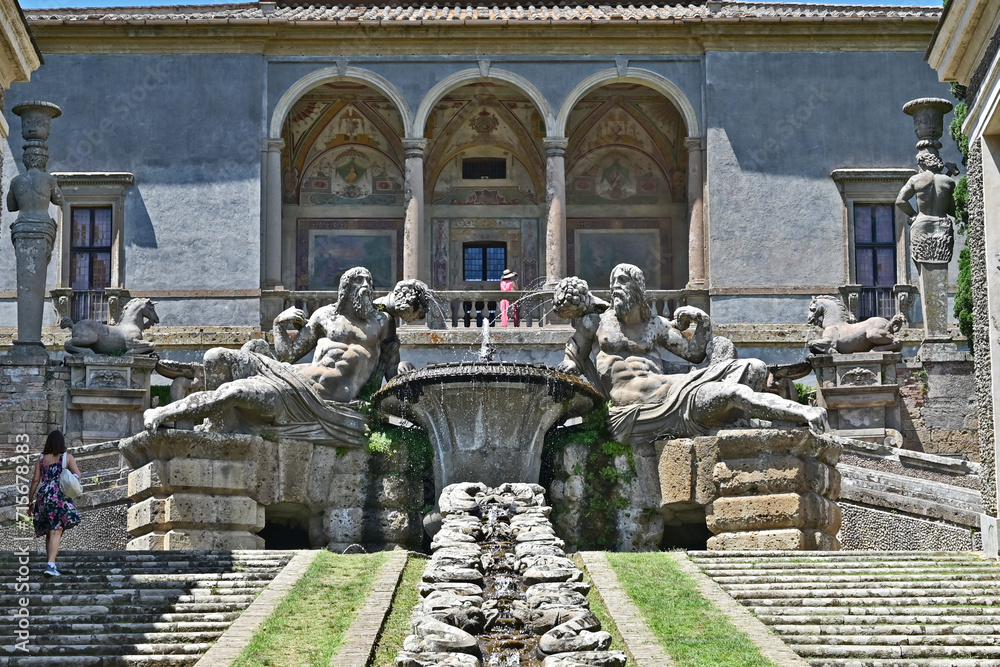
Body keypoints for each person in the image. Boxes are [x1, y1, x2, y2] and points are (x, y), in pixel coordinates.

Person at [143, 269, 431, 441]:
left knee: (235, 391)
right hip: (291, 376)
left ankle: (164, 413)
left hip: (313, 396)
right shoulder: (324, 316)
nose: (365, 287)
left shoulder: (381, 322)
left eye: (368, 282)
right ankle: (221, 423)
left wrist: (403, 372)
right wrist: (279, 324)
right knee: (216, 356)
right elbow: (288, 354)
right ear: (344, 290)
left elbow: (391, 367)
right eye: (357, 283)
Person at [556, 263, 826, 445]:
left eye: (623, 281)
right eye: (613, 282)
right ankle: (801, 414)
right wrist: (570, 364)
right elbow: (573, 353)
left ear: (637, 288)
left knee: (755, 366)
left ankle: (742, 418)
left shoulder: (656, 325)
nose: (616, 287)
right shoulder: (596, 322)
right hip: (638, 399)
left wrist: (702, 321)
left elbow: (695, 354)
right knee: (733, 393)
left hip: (670, 387)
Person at [28, 431, 81, 577]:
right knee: (56, 530)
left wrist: (30, 501)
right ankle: (51, 565)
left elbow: (35, 480)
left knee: (50, 530)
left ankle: (50, 563)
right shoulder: (67, 457)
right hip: (58, 495)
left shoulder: (41, 459)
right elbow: (78, 474)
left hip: (43, 495)